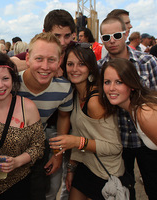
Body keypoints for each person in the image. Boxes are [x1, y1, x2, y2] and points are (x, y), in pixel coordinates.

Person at [98, 16, 157, 200]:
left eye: (117, 35)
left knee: (155, 188)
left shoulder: (148, 62)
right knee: (125, 191)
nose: (111, 41)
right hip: (120, 142)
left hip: (148, 143)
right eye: (106, 37)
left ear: (126, 34)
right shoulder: (99, 68)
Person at [49, 42, 125, 199]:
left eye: (81, 64)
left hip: (105, 173)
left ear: (90, 67)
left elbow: (114, 147)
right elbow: (80, 132)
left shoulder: (95, 102)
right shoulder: (77, 94)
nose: (74, 69)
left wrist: (77, 142)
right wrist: (71, 169)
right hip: (85, 167)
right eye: (70, 64)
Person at [0, 50, 45, 199]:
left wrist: (18, 161)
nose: (0, 85)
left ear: (13, 80)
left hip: (22, 185)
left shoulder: (27, 107)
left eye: (5, 78)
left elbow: (39, 146)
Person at [18, 32, 73, 200]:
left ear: (60, 61)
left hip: (38, 149)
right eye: (39, 59)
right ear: (27, 59)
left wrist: (58, 154)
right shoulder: (10, 84)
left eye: (51, 60)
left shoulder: (64, 89)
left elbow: (63, 118)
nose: (45, 66)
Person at [99, 58, 157, 186]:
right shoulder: (135, 109)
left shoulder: (145, 113)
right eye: (107, 82)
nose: (111, 88)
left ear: (131, 85)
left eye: (119, 82)